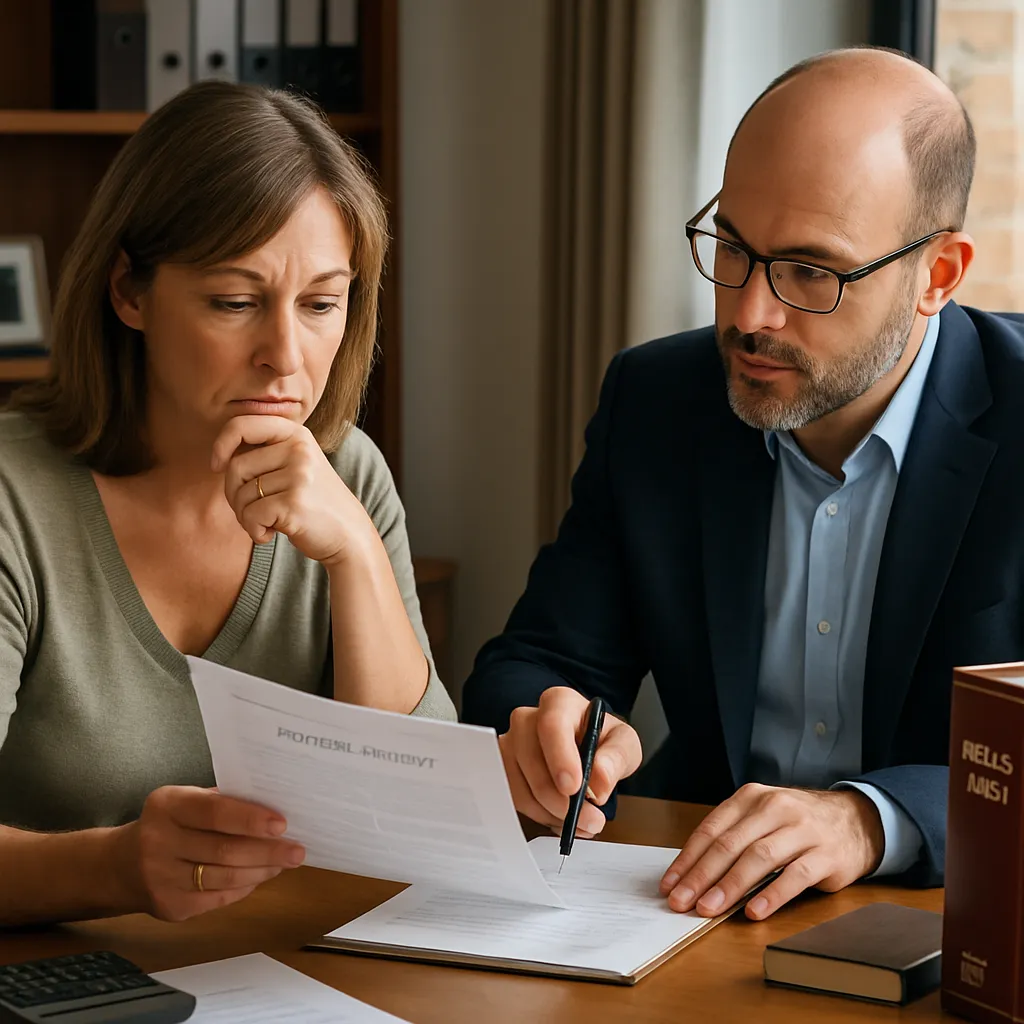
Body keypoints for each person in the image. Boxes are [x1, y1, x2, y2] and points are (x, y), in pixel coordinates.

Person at [462, 46, 1011, 921]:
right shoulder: (658, 399)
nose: (750, 314)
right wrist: (548, 729)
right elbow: (540, 661)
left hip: (947, 917)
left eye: (811, 272)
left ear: (937, 276)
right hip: (687, 903)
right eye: (732, 247)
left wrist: (872, 819)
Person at [0, 80, 455, 927]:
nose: (285, 355)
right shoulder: (13, 498)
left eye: (320, 304)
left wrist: (355, 553)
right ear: (129, 292)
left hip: (290, 970)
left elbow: (418, 816)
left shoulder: (349, 473)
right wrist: (116, 867)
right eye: (235, 302)